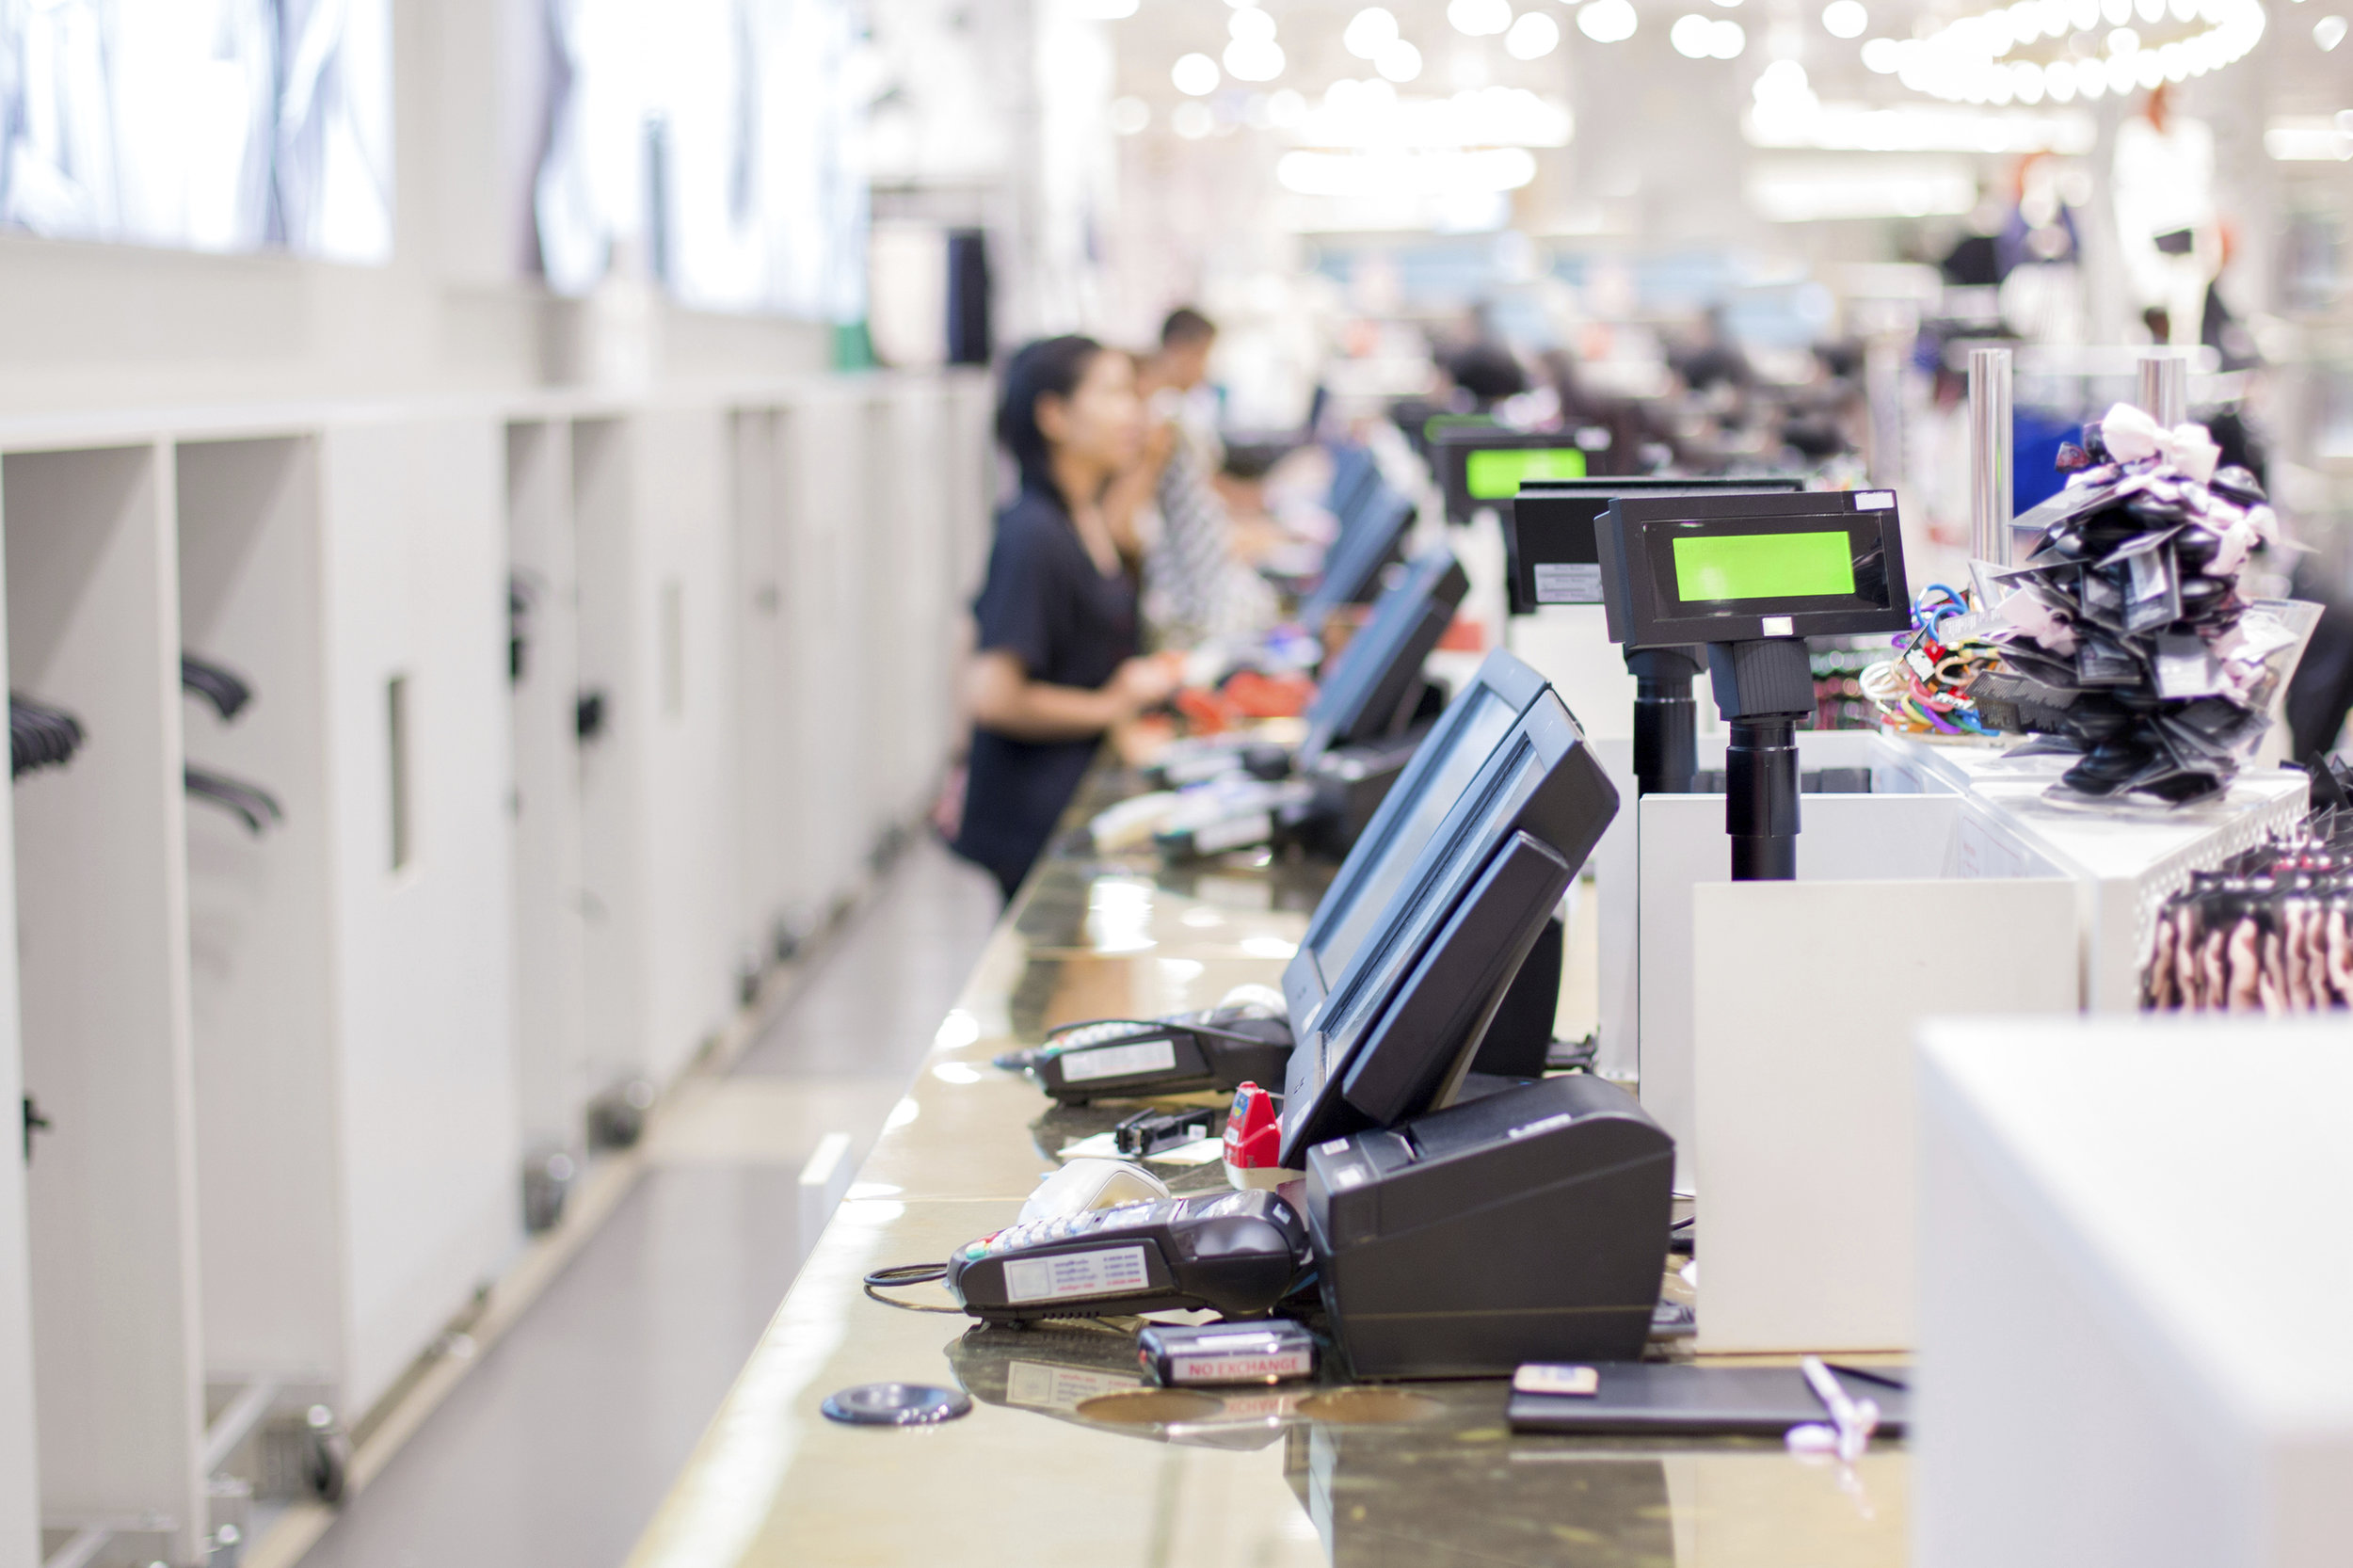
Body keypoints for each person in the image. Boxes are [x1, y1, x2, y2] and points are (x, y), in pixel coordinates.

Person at [952, 336, 1180, 904]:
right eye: (1113, 394)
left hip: (1075, 808)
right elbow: (993, 695)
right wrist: (1110, 705)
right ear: (1053, 415)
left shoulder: (1084, 515)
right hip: (1035, 821)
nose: (1135, 412)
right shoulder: (1033, 534)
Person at [1116, 307, 1280, 648]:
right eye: (1204, 357)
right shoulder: (1164, 419)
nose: (1205, 372)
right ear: (1181, 350)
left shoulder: (1171, 415)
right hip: (1190, 593)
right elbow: (1126, 522)